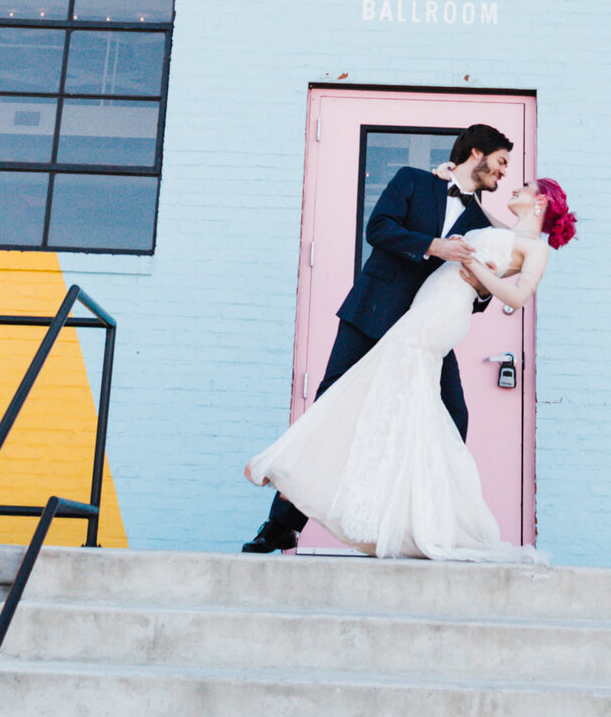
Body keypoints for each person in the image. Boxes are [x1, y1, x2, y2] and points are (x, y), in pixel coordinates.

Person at [245, 176, 578, 562]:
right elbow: (469, 217)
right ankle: (389, 511)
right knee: (399, 405)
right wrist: (447, 178)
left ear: (541, 202)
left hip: (438, 318)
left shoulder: (536, 249)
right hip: (415, 311)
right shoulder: (498, 228)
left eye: (523, 185)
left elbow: (516, 295)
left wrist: (479, 274)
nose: (512, 185)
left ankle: (301, 478)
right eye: (502, 168)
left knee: (375, 397)